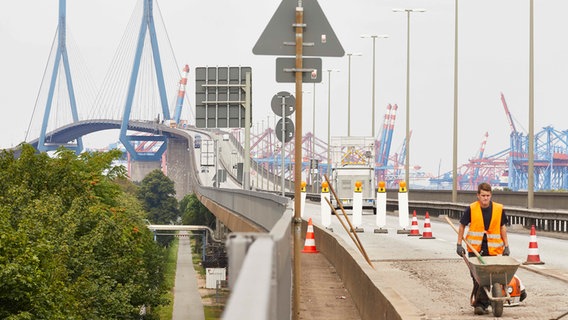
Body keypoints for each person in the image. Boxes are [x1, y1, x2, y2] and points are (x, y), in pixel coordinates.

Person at [456, 182, 510, 315]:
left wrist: (507, 246)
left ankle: (482, 304)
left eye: (487, 195)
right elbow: (462, 225)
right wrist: (458, 244)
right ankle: (480, 303)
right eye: (483, 195)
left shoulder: (498, 209)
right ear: (478, 196)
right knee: (477, 278)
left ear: (491, 195)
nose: (485, 198)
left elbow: (502, 227)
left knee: (491, 277)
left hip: (493, 249)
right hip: (475, 249)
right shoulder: (472, 208)